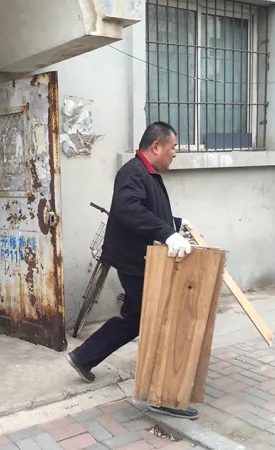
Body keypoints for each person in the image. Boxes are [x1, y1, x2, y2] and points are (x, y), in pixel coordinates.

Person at [67, 121, 199, 419]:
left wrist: (175, 224)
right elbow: (128, 209)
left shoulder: (145, 173)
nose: (175, 153)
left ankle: (84, 356)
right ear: (156, 146)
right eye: (173, 147)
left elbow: (147, 211)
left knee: (137, 318)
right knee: (160, 321)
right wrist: (166, 234)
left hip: (139, 260)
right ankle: (163, 396)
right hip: (135, 262)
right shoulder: (133, 172)